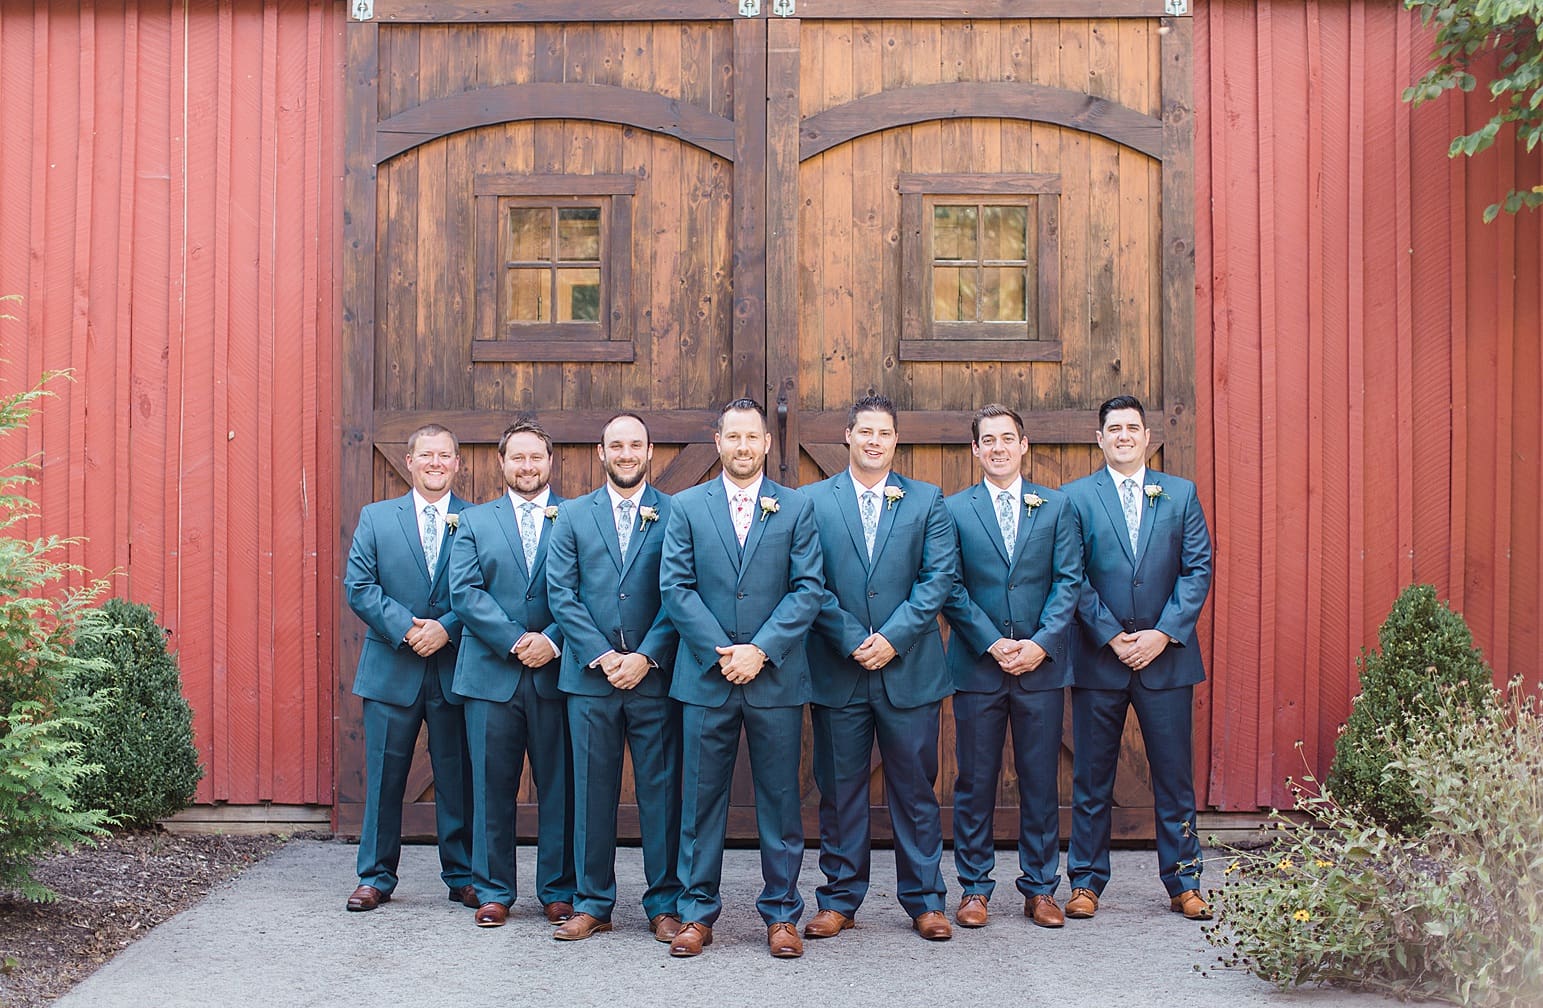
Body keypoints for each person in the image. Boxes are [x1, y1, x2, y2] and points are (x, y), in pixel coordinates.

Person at [658, 398, 824, 959]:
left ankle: (781, 914)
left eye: (753, 437)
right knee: (701, 802)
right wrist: (721, 652)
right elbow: (675, 589)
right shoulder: (685, 507)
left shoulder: (796, 508)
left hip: (774, 678)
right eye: (734, 437)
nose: (744, 446)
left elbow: (808, 590)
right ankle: (696, 912)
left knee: (780, 801)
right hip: (706, 677)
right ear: (718, 441)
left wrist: (761, 651)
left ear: (767, 444)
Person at [803, 394, 958, 943]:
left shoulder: (927, 501)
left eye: (884, 433)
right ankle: (839, 899)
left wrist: (891, 639)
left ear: (896, 440)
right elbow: (808, 581)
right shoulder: (812, 502)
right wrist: (850, 638)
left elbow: (937, 580)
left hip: (910, 669)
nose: (874, 440)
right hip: (837, 669)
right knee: (840, 791)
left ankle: (926, 901)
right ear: (847, 436)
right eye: (864, 431)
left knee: (915, 790)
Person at [1061, 395, 1214, 921]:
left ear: (1148, 437)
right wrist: (1110, 635)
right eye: (1113, 428)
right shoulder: (1076, 498)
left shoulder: (1180, 494)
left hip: (1166, 659)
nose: (1123, 436)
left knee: (1174, 776)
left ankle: (1185, 880)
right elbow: (1071, 575)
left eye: (1132, 427)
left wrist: (1162, 634)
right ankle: (1084, 880)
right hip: (1100, 659)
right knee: (1091, 776)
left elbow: (1197, 570)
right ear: (1099, 439)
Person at [941, 404, 1082, 929]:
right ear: (975, 450)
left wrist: (1041, 644)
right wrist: (992, 642)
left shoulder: (1056, 506)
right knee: (975, 780)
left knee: (1040, 779)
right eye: (988, 440)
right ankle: (974, 887)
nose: (998, 448)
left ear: (1024, 445)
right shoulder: (953, 509)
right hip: (979, 667)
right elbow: (949, 585)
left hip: (1040, 667)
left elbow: (1069, 581)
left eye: (1008, 438)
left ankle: (1041, 887)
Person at [546, 413, 684, 944]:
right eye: (615, 446)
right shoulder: (574, 515)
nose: (626, 454)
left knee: (662, 793)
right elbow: (563, 593)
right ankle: (592, 901)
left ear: (651, 452)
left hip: (654, 680)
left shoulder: (677, 513)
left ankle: (664, 903)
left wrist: (646, 655)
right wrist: (602, 655)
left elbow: (683, 591)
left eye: (635, 445)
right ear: (600, 453)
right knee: (590, 795)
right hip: (590, 680)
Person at [447, 418, 576, 928]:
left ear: (550, 462)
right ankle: (495, 888)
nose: (527, 466)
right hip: (489, 674)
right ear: (501, 463)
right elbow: (465, 592)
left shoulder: (576, 517)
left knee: (559, 786)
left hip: (555, 673)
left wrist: (552, 641)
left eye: (536, 457)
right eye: (517, 457)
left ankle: (558, 889)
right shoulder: (474, 522)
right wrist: (515, 640)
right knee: (490, 786)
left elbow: (587, 591)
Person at [342, 423, 476, 913]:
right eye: (427, 455)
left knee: (457, 777)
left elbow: (486, 589)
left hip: (455, 669)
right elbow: (359, 586)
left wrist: (446, 627)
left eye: (445, 455)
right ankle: (375, 875)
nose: (436, 463)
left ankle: (463, 875)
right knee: (384, 779)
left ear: (457, 463)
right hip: (391, 668)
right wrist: (407, 628)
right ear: (410, 461)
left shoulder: (477, 519)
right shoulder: (377, 518)